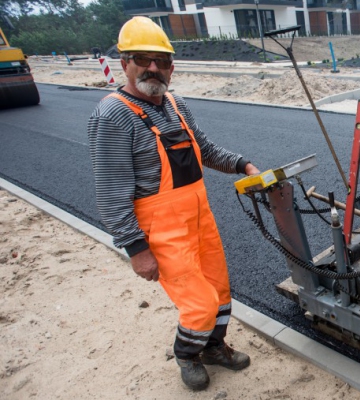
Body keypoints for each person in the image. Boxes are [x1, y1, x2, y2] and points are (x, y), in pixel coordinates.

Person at [87, 16, 260, 391]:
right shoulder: (113, 115)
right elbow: (111, 191)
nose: (153, 67)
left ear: (171, 66)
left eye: (161, 60)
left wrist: (243, 165)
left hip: (200, 220)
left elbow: (205, 150)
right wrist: (136, 249)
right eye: (143, 59)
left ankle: (213, 348)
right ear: (124, 63)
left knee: (219, 292)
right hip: (162, 232)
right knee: (199, 303)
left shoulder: (175, 104)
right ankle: (186, 354)